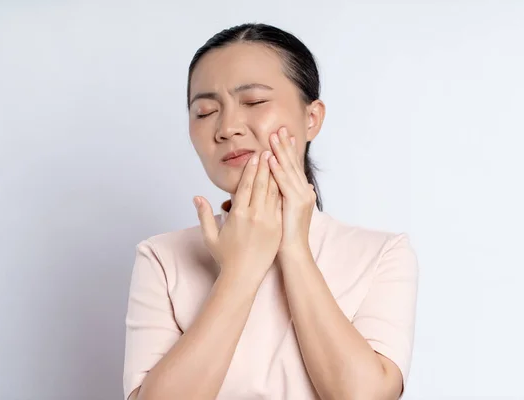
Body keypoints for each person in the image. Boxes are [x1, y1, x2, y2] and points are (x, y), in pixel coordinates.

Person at [123, 23, 418, 400]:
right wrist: (240, 270)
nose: (226, 127)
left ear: (311, 118)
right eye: (205, 111)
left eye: (254, 102)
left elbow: (364, 396)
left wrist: (293, 247)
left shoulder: (381, 255)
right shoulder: (162, 258)